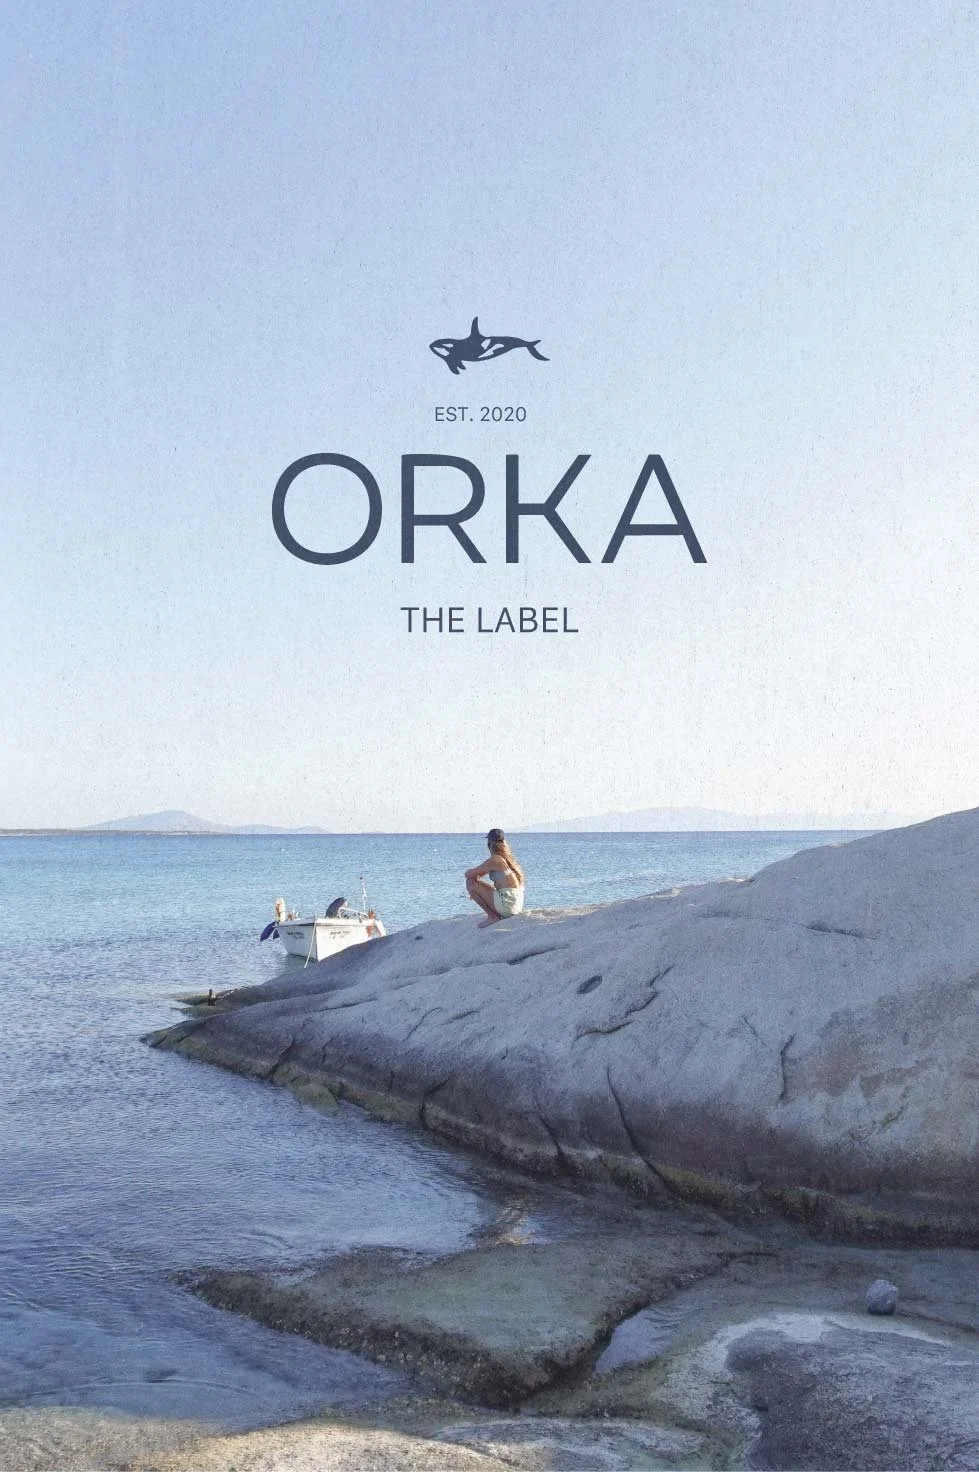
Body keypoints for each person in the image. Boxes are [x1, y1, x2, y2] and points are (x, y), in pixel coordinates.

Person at [465, 828, 525, 927]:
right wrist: (476, 879)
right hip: (515, 904)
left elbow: (468, 874)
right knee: (473, 881)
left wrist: (474, 886)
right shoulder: (508, 859)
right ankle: (495, 914)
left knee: (469, 881)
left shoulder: (496, 860)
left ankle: (492, 916)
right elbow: (479, 873)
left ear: (490, 843)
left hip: (506, 905)